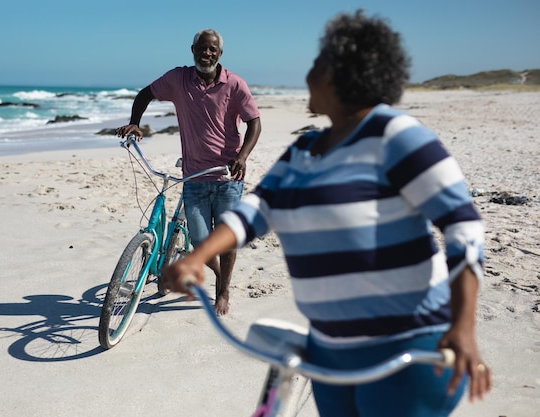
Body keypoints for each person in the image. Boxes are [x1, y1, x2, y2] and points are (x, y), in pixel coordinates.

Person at [162, 11, 490, 417]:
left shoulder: (400, 138)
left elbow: (465, 229)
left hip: (408, 349)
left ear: (342, 73)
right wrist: (195, 258)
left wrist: (463, 328)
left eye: (317, 64)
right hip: (329, 350)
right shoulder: (304, 151)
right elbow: (254, 212)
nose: (307, 74)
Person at [116, 28, 261, 316]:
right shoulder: (178, 79)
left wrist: (242, 157)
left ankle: (223, 291)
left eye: (212, 50)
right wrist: (135, 123)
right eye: (201, 48)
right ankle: (220, 276)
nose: (206, 53)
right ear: (192, 50)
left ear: (220, 54)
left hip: (227, 177)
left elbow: (254, 123)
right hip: (194, 177)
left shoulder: (234, 84)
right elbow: (145, 94)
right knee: (200, 243)